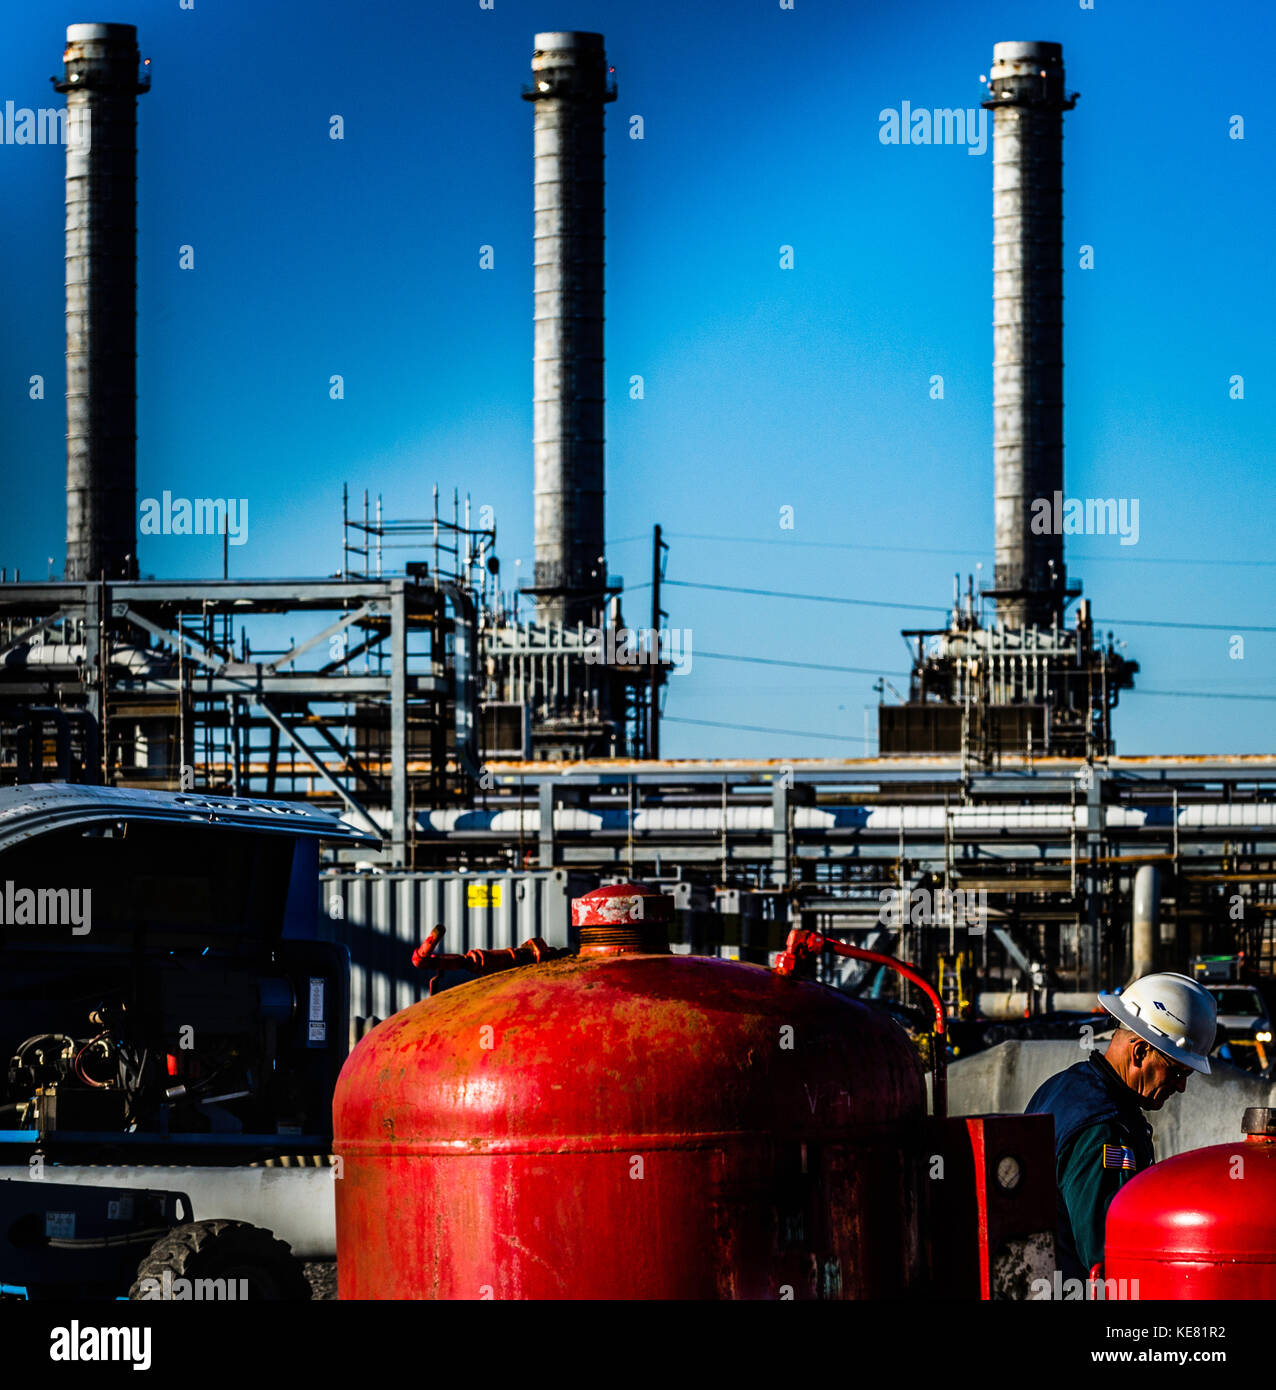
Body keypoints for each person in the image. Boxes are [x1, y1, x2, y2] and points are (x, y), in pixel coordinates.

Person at [1026, 971, 1217, 1280]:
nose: (1181, 1087)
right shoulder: (1103, 1129)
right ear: (1140, 1052)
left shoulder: (1064, 1086)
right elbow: (1107, 1260)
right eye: (1178, 1072)